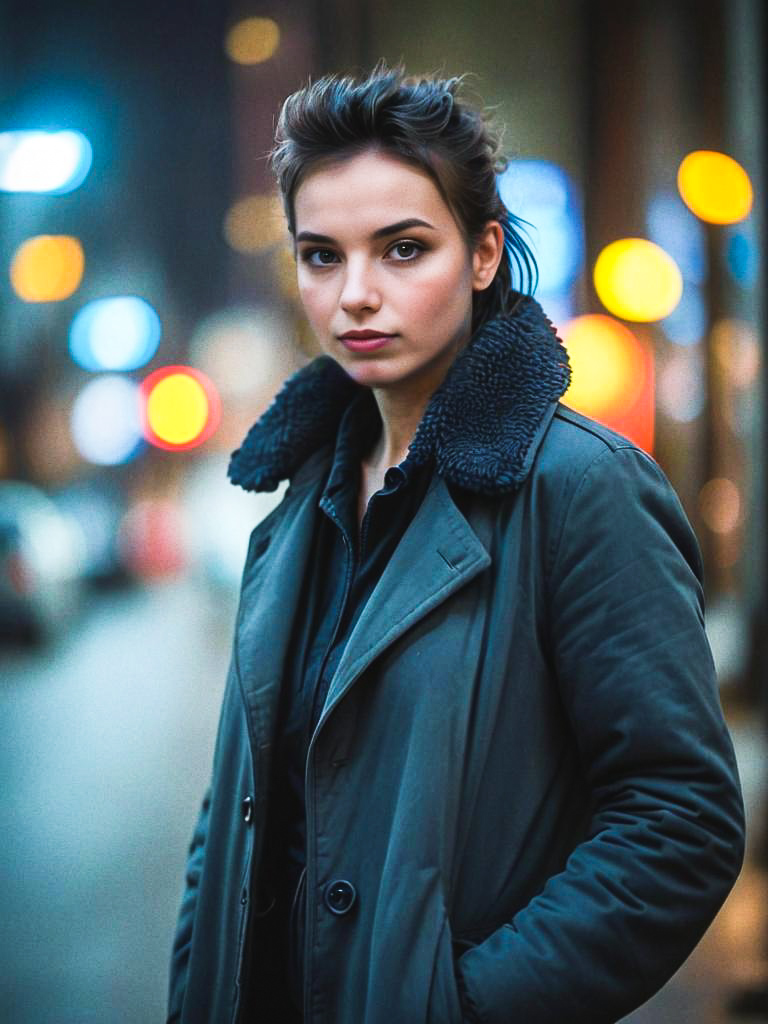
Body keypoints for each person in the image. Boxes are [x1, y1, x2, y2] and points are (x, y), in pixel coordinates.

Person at [168, 64, 745, 1024]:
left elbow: (679, 822)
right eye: (322, 256)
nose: (355, 295)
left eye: (402, 250)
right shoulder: (293, 505)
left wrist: (465, 1009)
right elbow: (232, 818)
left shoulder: (579, 489)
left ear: (482, 255)